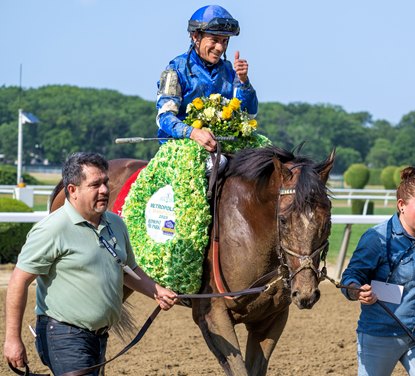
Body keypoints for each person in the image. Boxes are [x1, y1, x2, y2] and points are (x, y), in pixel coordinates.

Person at [3, 152, 177, 375]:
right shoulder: (52, 229)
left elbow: (127, 269)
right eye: (95, 184)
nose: (104, 190)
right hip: (64, 337)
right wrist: (12, 339)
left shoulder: (115, 223)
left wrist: (156, 290)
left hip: (99, 337)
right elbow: (19, 281)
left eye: (105, 182)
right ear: (73, 190)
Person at [341, 167, 415, 376]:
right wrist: (357, 291)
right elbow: (350, 278)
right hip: (378, 334)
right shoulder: (376, 239)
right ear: (401, 205)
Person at [156, 4, 258, 153]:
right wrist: (193, 133)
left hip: (222, 148)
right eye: (214, 40)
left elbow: (249, 113)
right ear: (195, 36)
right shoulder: (175, 70)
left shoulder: (229, 70)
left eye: (224, 41)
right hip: (180, 149)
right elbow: (164, 117)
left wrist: (244, 82)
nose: (220, 48)